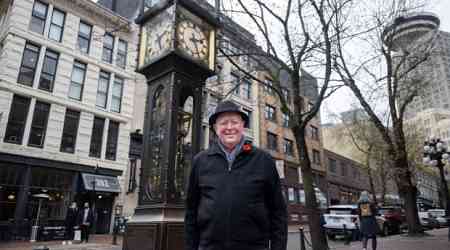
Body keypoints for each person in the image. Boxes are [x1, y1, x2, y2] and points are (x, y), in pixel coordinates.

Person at [185, 100, 288, 250]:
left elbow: (278, 211)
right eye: (223, 123)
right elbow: (191, 211)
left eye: (234, 122)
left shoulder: (263, 160)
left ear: (242, 126)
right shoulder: (200, 161)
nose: (229, 128)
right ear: (215, 128)